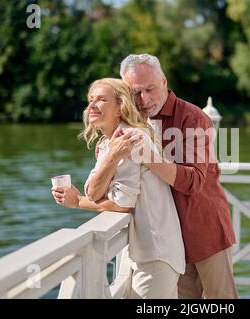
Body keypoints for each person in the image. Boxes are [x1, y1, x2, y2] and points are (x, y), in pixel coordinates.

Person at [88, 54, 238, 299]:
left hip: (204, 230)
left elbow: (194, 181)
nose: (144, 99)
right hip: (166, 240)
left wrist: (150, 158)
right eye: (135, 92)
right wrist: (107, 156)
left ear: (164, 81)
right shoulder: (131, 123)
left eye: (150, 89)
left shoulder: (193, 118)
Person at [51, 78, 185, 299]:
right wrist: (111, 157)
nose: (92, 105)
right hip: (145, 251)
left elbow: (121, 205)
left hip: (157, 252)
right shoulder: (108, 143)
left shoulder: (131, 139)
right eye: (90, 100)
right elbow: (95, 192)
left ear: (120, 108)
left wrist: (77, 202)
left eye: (102, 99)